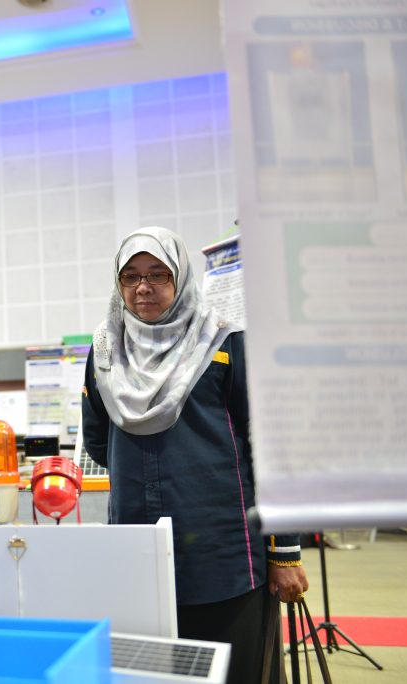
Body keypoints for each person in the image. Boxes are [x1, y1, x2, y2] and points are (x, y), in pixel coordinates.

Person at [82, 227, 308, 684]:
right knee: (152, 673)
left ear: (180, 277)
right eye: (130, 276)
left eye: (157, 274)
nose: (143, 287)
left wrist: (285, 553)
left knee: (239, 673)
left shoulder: (225, 341)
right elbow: (98, 442)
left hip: (224, 555)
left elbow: (272, 447)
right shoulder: (105, 348)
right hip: (138, 547)